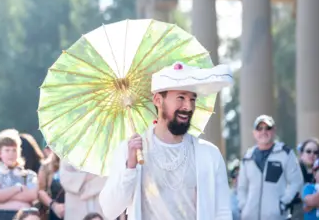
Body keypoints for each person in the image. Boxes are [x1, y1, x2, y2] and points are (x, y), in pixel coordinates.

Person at [99, 62, 234, 220]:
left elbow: (223, 213)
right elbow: (110, 210)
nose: (188, 107)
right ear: (158, 100)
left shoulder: (209, 155)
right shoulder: (132, 151)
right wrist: (130, 167)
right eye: (181, 98)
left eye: (192, 99)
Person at [238, 115, 303, 220]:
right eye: (259, 128)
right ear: (254, 133)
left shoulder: (285, 153)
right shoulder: (247, 157)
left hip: (276, 217)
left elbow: (296, 182)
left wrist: (283, 204)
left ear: (274, 130)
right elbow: (241, 187)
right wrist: (244, 207)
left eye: (268, 128)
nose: (264, 131)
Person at [0, 129, 38, 220]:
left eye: (14, 150)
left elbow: (32, 195)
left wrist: (4, 197)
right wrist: (18, 188)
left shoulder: (28, 175)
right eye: (7, 150)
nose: (11, 154)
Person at [37, 152, 65, 220]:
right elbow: (40, 191)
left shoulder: (82, 167)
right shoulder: (46, 166)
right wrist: (54, 206)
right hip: (55, 211)